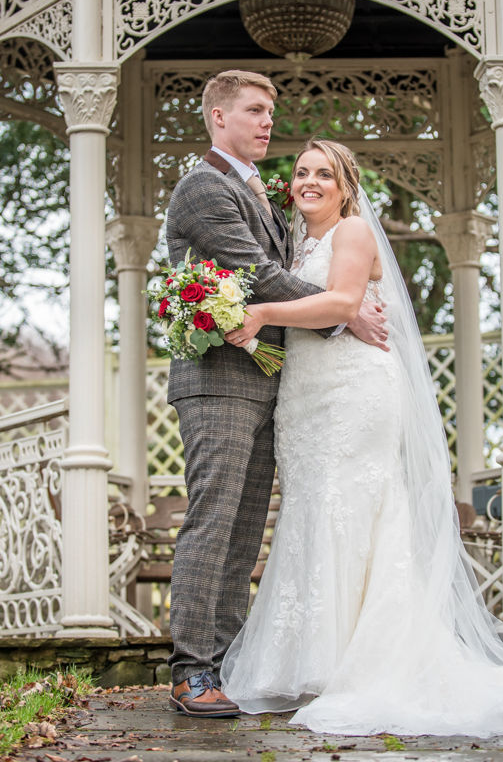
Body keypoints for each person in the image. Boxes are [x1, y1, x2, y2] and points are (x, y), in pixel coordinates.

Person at [220, 138, 503, 736]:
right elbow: (319, 302)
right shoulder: (295, 243)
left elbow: (340, 301)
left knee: (353, 508)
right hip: (304, 395)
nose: (309, 182)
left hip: (355, 390)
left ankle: (365, 662)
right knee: (311, 509)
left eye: (324, 174)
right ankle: (314, 659)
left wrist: (263, 314)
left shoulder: (353, 231)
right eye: (303, 172)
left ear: (346, 186)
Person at [164, 72, 387, 718]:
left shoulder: (259, 191)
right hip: (218, 381)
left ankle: (225, 662)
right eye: (255, 110)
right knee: (214, 520)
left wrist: (339, 303)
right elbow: (257, 274)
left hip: (270, 382)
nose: (268, 122)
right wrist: (344, 310)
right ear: (218, 117)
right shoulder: (205, 186)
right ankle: (190, 671)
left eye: (270, 112)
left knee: (244, 529)